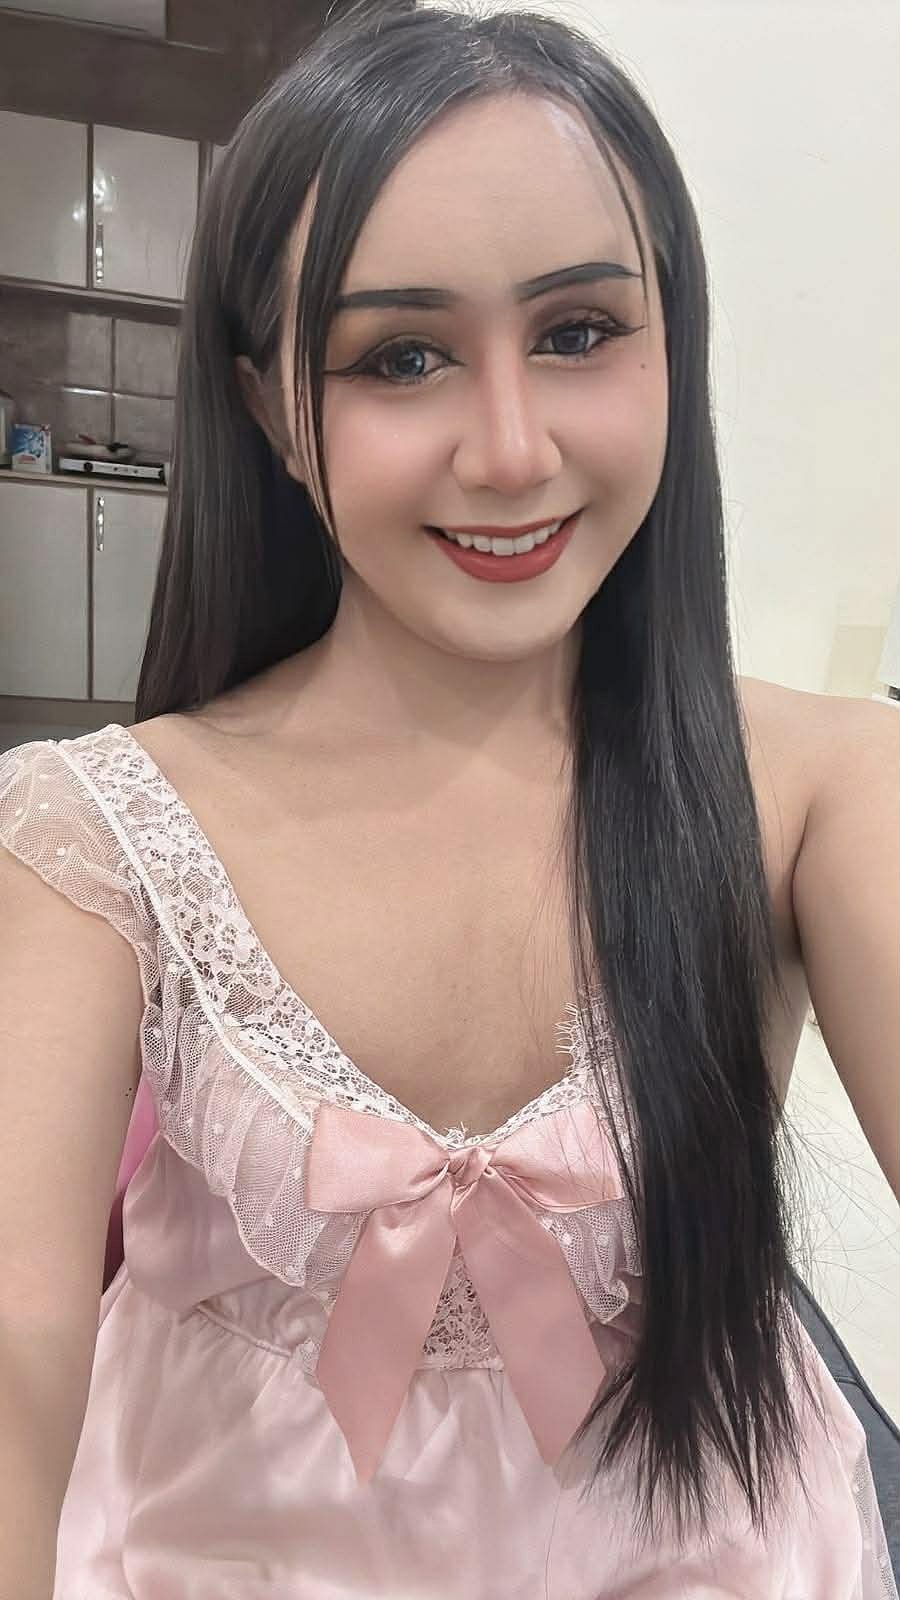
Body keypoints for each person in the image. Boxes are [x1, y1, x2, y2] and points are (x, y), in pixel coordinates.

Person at [1, 3, 897, 1594]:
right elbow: (16, 1345)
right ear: (272, 409)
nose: (510, 449)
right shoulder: (91, 835)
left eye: (579, 332)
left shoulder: (824, 787)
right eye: (402, 357)